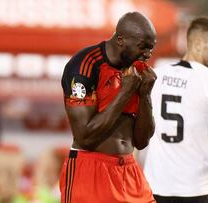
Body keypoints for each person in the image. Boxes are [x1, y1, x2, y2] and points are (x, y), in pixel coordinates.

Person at [60, 12, 157, 203]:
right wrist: (125, 93)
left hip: (129, 171)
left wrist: (145, 94)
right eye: (142, 47)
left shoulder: (136, 70)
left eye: (151, 49)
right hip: (90, 170)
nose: (146, 54)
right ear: (121, 39)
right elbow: (84, 137)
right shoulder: (84, 66)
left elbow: (142, 141)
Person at [143, 17, 208, 203]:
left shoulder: (157, 73)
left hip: (156, 187)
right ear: (198, 44)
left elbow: (136, 128)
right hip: (199, 190)